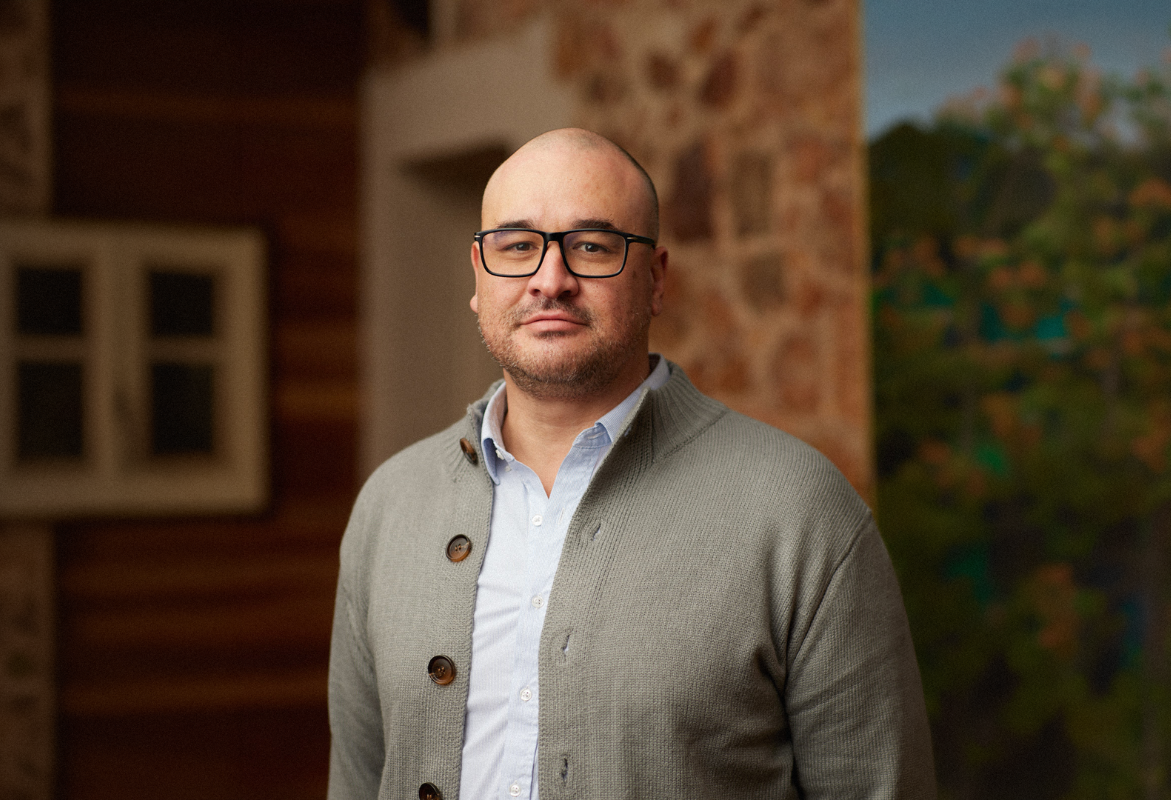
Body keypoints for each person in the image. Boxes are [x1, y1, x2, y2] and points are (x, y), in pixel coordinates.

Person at [327, 128, 936, 800]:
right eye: (517, 246)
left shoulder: (798, 509)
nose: (550, 280)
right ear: (479, 274)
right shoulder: (391, 505)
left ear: (656, 279)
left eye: (592, 246)